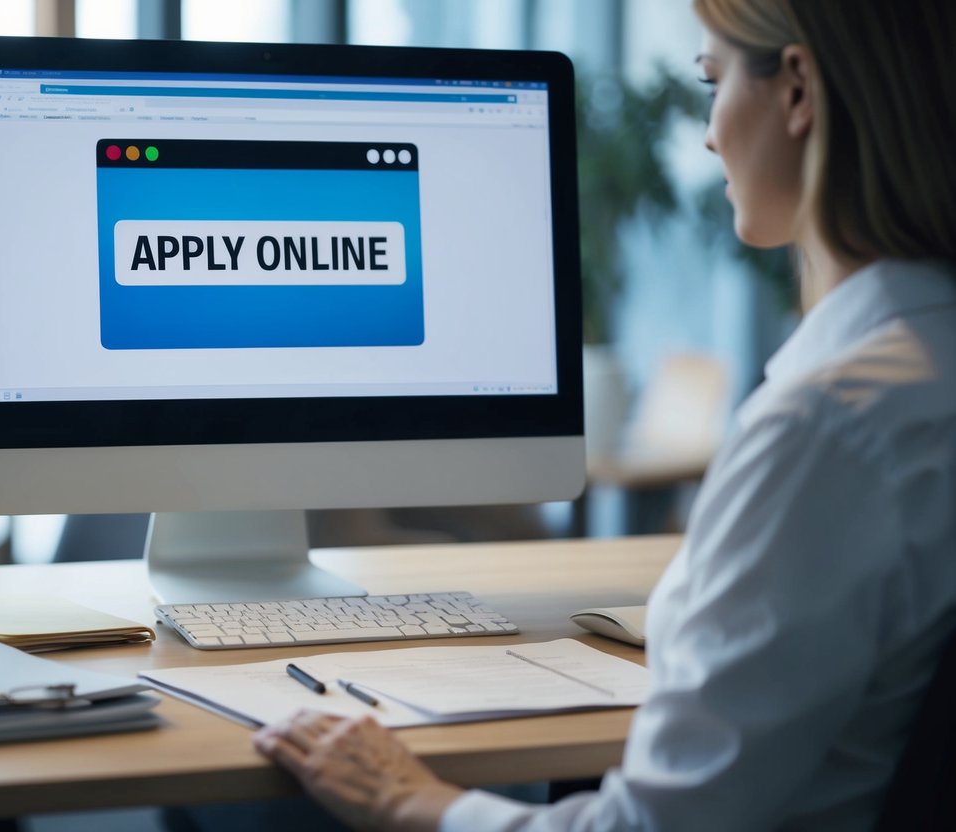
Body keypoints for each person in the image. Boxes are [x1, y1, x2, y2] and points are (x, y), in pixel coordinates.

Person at [252, 1, 956, 829]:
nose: (705, 134)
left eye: (713, 81)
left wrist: (411, 799)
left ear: (797, 89)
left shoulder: (827, 428)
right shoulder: (916, 373)